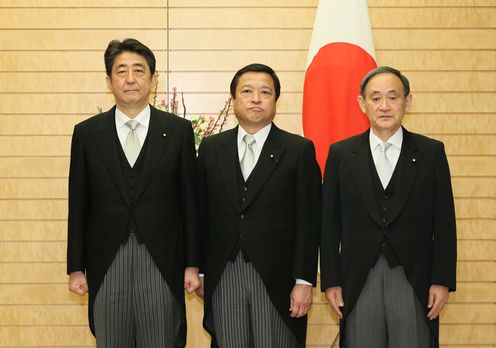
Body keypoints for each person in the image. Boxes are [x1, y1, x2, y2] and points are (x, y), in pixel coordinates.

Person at [66, 38, 200, 348]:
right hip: (106, 259)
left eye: (139, 71)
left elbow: (189, 203)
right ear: (108, 81)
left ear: (154, 79)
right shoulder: (87, 133)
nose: (130, 79)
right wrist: (76, 267)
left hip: (162, 259)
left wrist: (193, 264)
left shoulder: (178, 131)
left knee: (162, 339)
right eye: (121, 71)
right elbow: (79, 204)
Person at [320, 66, 457, 348]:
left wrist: (441, 281)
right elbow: (329, 224)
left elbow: (444, 222)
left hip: (414, 278)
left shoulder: (431, 152)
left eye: (393, 97)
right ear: (362, 103)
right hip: (358, 278)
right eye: (375, 98)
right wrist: (331, 280)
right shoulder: (341, 154)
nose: (384, 106)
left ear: (408, 101)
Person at [196, 63, 321, 347]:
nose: (256, 98)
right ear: (234, 99)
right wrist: (201, 270)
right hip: (224, 272)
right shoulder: (212, 148)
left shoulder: (298, 150)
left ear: (276, 99)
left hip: (278, 278)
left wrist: (304, 281)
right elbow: (201, 214)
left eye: (265, 92)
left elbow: (308, 220)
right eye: (247, 91)